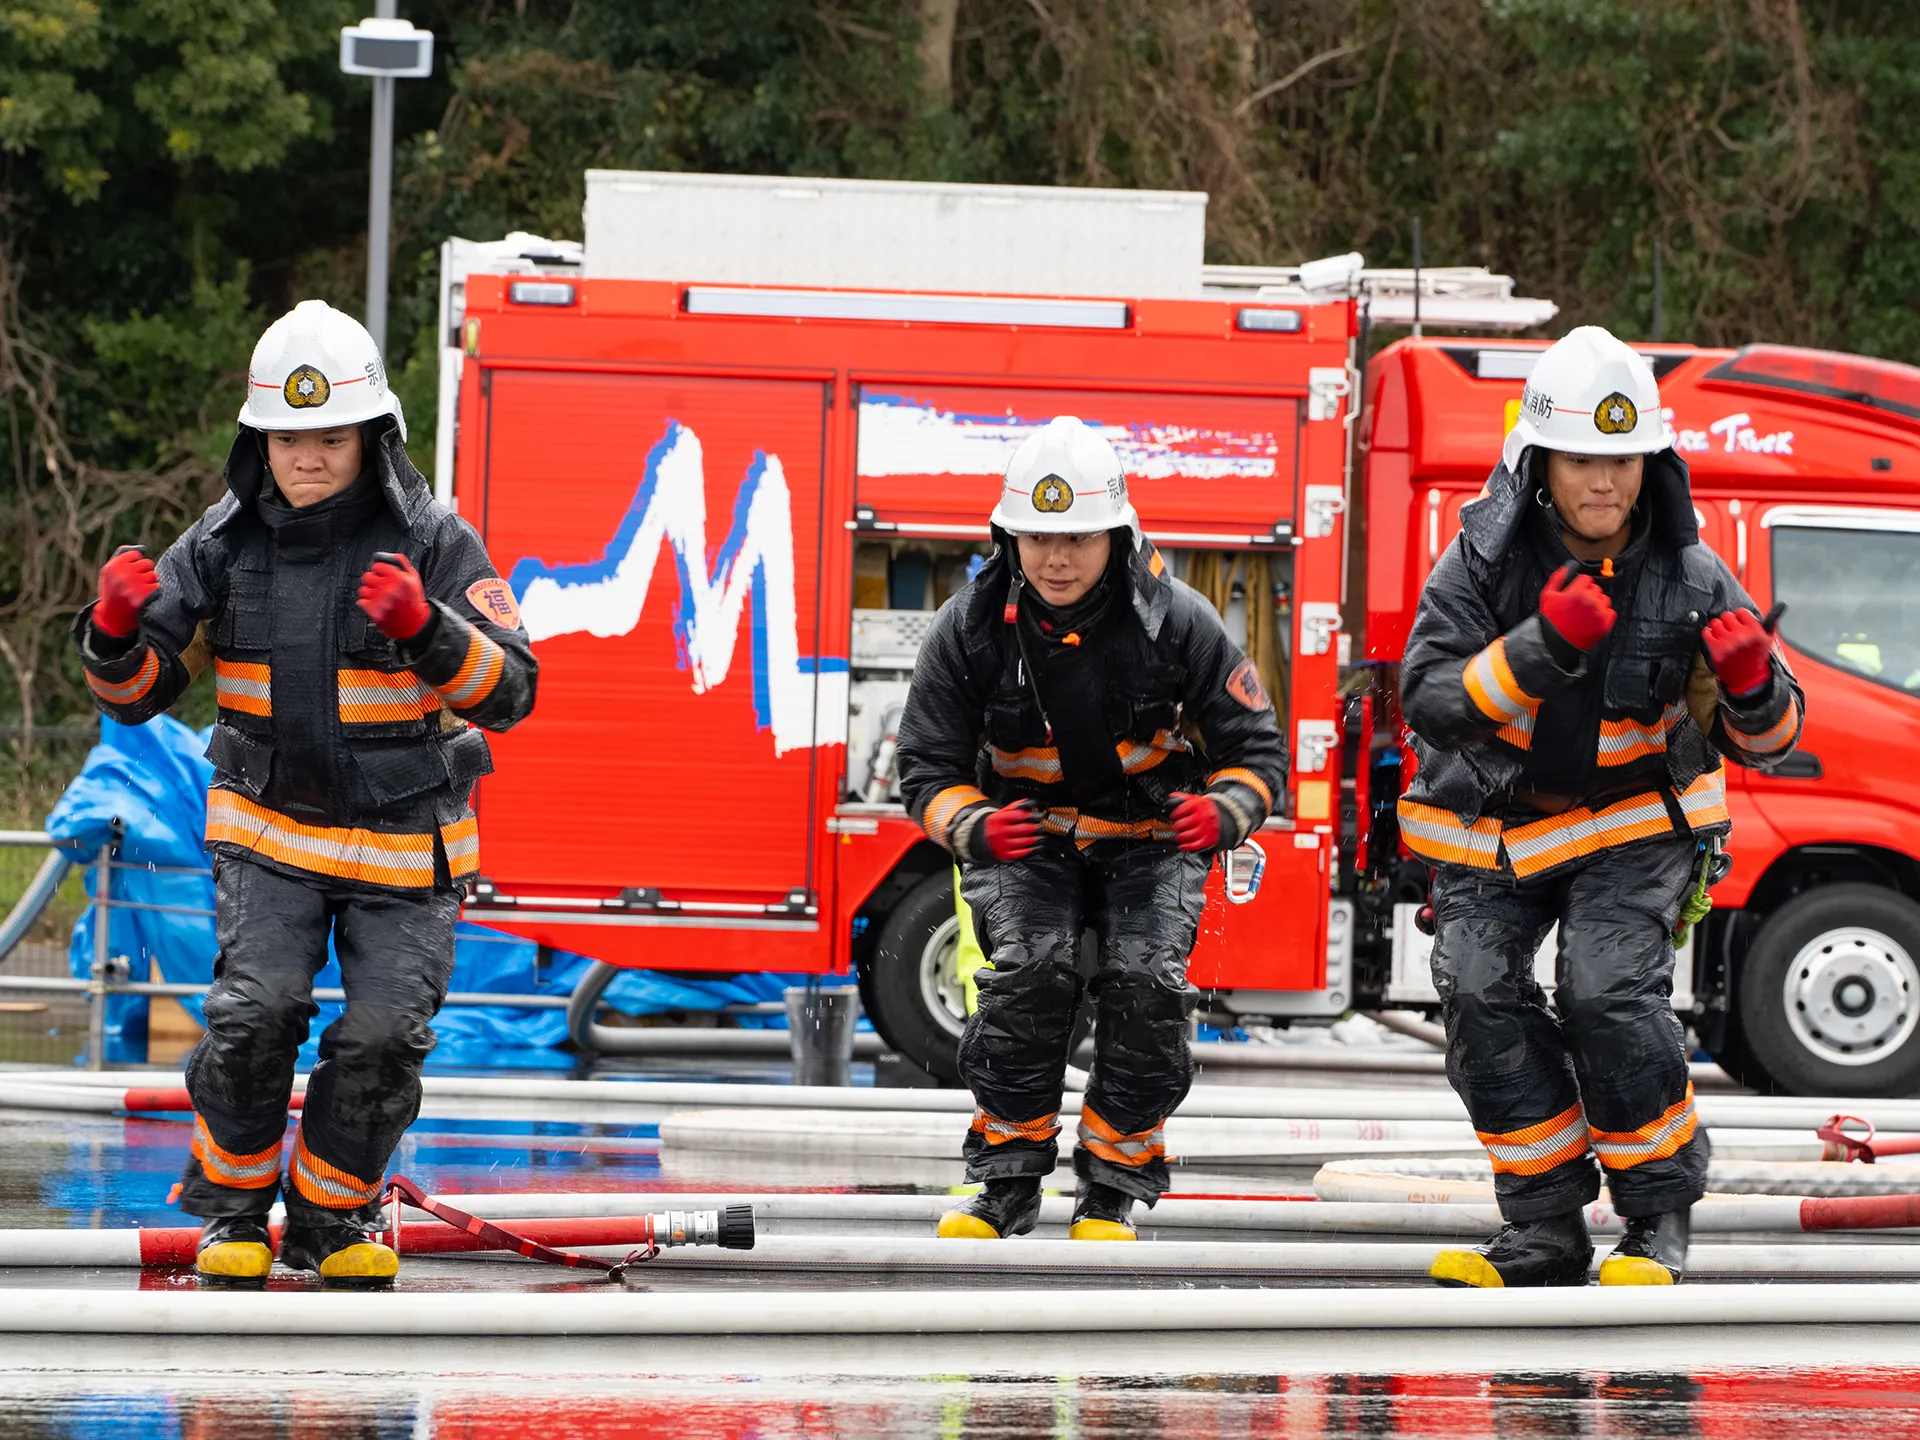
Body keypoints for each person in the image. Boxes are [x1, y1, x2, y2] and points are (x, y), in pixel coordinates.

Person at [73, 301, 538, 1287]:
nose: (310, 457)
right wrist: (114, 634)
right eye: (289, 439)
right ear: (260, 442)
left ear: (372, 437)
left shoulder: (437, 542)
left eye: (330, 437)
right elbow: (142, 691)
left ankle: (332, 1216)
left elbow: (514, 691)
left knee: (382, 1038)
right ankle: (234, 1210)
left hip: (407, 844)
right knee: (253, 1018)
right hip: (270, 832)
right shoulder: (219, 547)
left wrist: (429, 632)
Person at [1398, 326, 1803, 1287]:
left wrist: (1749, 685)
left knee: (1605, 992)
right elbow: (1429, 695)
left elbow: (1774, 740)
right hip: (1494, 830)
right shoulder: (1481, 566)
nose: (1605, 483)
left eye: (1624, 461)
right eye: (1584, 458)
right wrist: (1537, 649)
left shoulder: (1693, 576)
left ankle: (1658, 1219)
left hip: (1632, 830)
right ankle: (1543, 1227)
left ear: (1649, 463)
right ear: (1539, 463)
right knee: (1479, 988)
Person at [895, 416, 1288, 1241]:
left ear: (1117, 534)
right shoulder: (967, 630)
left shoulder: (1180, 622)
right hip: (1026, 839)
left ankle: (1113, 1184)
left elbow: (1258, 749)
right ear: (1008, 539)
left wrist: (1221, 811)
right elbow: (926, 768)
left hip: (1152, 840)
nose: (1055, 558)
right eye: (1036, 537)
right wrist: (972, 827)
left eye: (1076, 536)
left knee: (1147, 988)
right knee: (1026, 978)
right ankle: (1006, 1183)